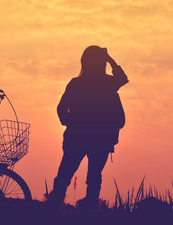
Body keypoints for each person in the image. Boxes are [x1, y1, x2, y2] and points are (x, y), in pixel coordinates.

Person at [47, 45, 129, 210]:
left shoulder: (76, 83)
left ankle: (52, 209)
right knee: (94, 179)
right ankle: (89, 212)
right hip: (101, 139)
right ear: (102, 63)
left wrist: (71, 123)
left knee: (64, 176)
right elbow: (123, 77)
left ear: (84, 62)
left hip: (76, 137)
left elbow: (61, 109)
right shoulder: (108, 83)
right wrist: (109, 58)